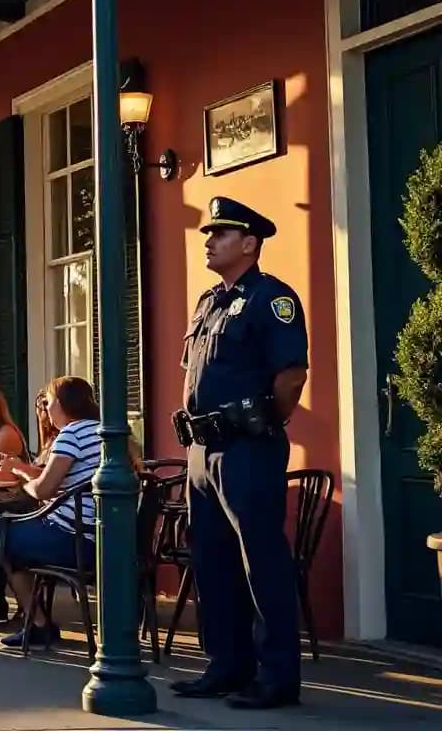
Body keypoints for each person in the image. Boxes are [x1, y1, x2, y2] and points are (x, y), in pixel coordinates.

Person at [169, 198, 308, 711]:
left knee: (261, 561)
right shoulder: (208, 302)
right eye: (210, 233)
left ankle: (276, 679)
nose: (209, 240)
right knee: (213, 561)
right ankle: (226, 665)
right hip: (202, 452)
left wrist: (264, 421)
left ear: (249, 243)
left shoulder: (273, 300)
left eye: (221, 234)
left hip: (248, 448)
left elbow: (291, 375)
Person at [0, 376, 103, 647]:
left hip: (74, 539)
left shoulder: (71, 434)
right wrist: (22, 470)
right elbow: (62, 483)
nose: (46, 409)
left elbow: (43, 490)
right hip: (97, 536)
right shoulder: (101, 431)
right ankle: (38, 625)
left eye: (49, 402)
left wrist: (22, 478)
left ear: (64, 405)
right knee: (5, 543)